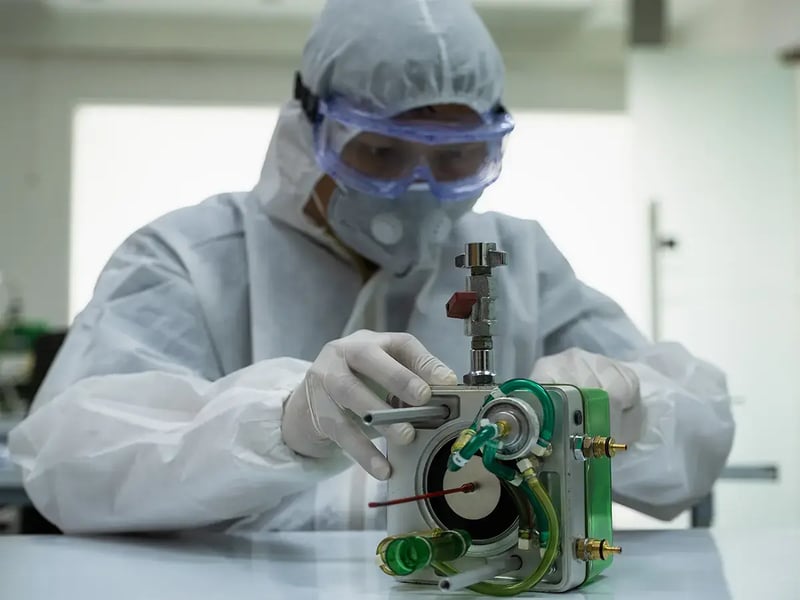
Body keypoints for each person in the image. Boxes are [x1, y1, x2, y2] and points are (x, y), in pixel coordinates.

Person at [9, 0, 733, 534]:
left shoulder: (518, 262)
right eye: (381, 153)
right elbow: (68, 458)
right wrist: (279, 424)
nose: (420, 189)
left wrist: (630, 413)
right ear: (309, 130)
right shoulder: (188, 258)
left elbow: (700, 435)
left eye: (456, 159)